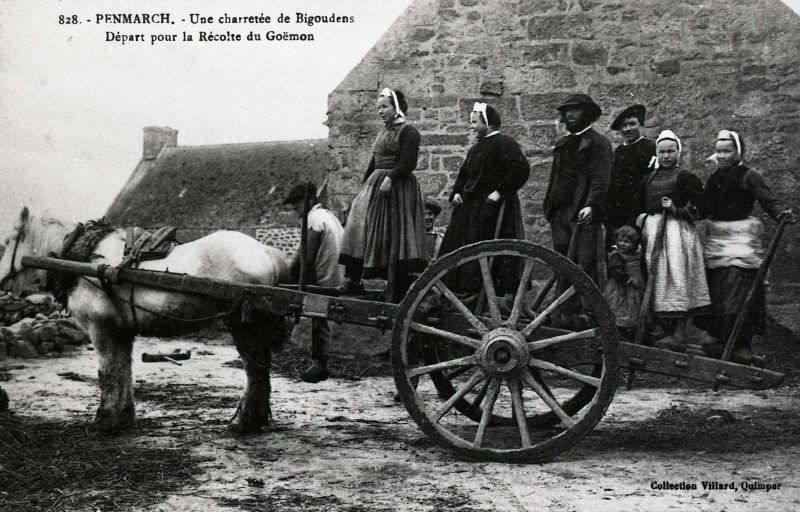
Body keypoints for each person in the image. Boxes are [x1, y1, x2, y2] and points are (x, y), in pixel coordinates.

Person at [696, 130, 796, 364]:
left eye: (727, 151)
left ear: (737, 152)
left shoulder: (748, 175)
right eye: (719, 151)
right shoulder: (715, 177)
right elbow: (705, 206)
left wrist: (779, 212)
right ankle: (720, 340)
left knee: (739, 293)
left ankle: (742, 345)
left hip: (740, 241)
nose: (721, 155)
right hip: (716, 240)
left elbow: (766, 198)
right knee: (717, 293)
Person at [338, 88, 427, 300]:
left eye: (384, 106)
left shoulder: (409, 132)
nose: (380, 111)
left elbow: (408, 161)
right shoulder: (382, 133)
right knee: (359, 229)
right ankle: (353, 280)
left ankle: (399, 286)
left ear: (397, 108)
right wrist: (363, 189)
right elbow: (374, 162)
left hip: (397, 189)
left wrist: (391, 178)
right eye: (378, 108)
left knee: (395, 235)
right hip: (375, 186)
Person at [439, 102, 530, 294]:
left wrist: (500, 192)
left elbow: (520, 169)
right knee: (462, 247)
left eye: (474, 122)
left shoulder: (504, 143)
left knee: (485, 249)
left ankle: (483, 293)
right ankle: (463, 291)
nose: (471, 126)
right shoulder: (476, 148)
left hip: (492, 208)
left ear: (487, 123)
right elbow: (464, 175)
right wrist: (456, 193)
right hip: (470, 208)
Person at [634, 130, 710, 351]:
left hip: (676, 232)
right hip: (653, 231)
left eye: (670, 151)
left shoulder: (685, 177)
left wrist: (676, 209)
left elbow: (702, 208)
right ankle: (661, 330)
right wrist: (640, 217)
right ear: (656, 153)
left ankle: (679, 333)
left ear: (678, 152)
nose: (666, 155)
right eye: (662, 151)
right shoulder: (648, 178)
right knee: (656, 279)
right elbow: (637, 204)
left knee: (677, 277)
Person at [543, 93, 611, 285]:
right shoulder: (563, 144)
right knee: (563, 264)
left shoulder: (598, 142)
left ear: (587, 113)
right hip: (560, 213)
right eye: (567, 111)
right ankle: (566, 310)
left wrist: (591, 205)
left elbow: (601, 179)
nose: (570, 115)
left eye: (576, 110)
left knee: (585, 263)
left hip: (582, 213)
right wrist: (551, 209)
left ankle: (588, 313)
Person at [283, 183, 345, 383]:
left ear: (310, 201)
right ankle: (320, 362)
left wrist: (288, 277)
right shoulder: (328, 216)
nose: (296, 211)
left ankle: (318, 363)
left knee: (317, 317)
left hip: (324, 280)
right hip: (337, 277)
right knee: (320, 321)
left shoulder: (313, 219)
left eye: (298, 205)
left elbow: (305, 256)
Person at [606, 104, 657, 250]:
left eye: (632, 124)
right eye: (624, 126)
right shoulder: (618, 153)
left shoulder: (651, 148)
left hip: (643, 210)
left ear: (640, 125)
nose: (627, 129)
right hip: (619, 212)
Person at [603, 225, 645, 341]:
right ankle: (618, 332)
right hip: (620, 289)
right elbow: (616, 271)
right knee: (619, 309)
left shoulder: (636, 253)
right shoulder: (617, 255)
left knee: (632, 310)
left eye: (626, 242)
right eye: (620, 241)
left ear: (634, 243)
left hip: (633, 290)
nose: (622, 244)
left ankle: (628, 332)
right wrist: (629, 280)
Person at [423, 197, 444, 261]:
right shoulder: (413, 239)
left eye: (430, 214)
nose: (426, 217)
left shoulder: (441, 239)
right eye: (423, 214)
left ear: (435, 216)